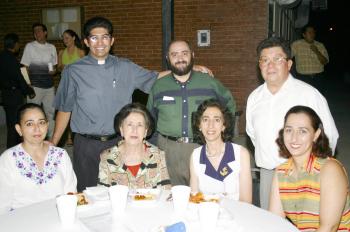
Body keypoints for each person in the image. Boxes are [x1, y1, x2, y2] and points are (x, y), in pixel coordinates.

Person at [52, 17, 210, 191]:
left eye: (105, 37)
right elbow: (65, 110)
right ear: (86, 42)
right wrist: (53, 143)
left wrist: (186, 68)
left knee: (122, 193)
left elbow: (154, 77)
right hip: (86, 145)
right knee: (88, 194)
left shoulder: (125, 67)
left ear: (112, 41)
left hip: (119, 142)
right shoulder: (73, 71)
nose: (100, 42)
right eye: (94, 38)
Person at [246, 36, 338, 209]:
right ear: (259, 66)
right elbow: (253, 135)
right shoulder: (254, 98)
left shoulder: (309, 95)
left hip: (303, 174)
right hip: (268, 174)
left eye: (277, 59)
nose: (270, 65)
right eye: (264, 60)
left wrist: (315, 172)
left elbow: (329, 136)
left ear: (289, 64)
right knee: (270, 223)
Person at [147, 40, 236, 186]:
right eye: (174, 54)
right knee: (171, 197)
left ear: (192, 55)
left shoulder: (209, 83)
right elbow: (150, 119)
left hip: (202, 147)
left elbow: (229, 107)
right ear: (168, 59)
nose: (180, 58)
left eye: (184, 53)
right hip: (168, 150)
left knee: (203, 195)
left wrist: (224, 137)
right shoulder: (158, 86)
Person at [269, 105, 350, 231]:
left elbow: (328, 228)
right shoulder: (281, 172)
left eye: (303, 131)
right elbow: (275, 222)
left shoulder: (330, 170)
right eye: (289, 130)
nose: (294, 138)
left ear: (316, 134)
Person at [0, 103, 77, 214]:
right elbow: (2, 206)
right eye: (29, 124)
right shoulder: (8, 160)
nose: (37, 129)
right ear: (19, 129)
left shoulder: (60, 155)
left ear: (47, 125)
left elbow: (71, 194)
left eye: (41, 122)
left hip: (60, 221)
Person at [190, 99, 252, 203]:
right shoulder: (195, 156)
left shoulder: (240, 154)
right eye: (205, 119)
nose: (211, 125)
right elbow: (194, 199)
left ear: (224, 125)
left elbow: (246, 202)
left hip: (236, 215)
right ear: (199, 125)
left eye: (217, 120)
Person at [98, 103, 171, 189]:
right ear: (121, 129)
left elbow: (165, 194)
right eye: (130, 124)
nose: (134, 130)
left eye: (139, 125)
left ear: (145, 132)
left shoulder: (158, 156)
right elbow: (102, 195)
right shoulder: (107, 158)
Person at [20, 23, 57, 138]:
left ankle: (51, 140)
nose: (37, 33)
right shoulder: (30, 46)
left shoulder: (52, 47)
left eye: (39, 31)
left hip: (49, 87)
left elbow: (53, 67)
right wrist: (28, 84)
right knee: (31, 114)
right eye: (35, 32)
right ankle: (31, 138)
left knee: (50, 114)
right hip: (35, 86)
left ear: (45, 32)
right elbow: (24, 67)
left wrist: (53, 71)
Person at [0, 33, 35, 148]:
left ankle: (11, 148)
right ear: (15, 44)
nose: (19, 46)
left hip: (5, 94)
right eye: (18, 43)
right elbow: (19, 78)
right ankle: (13, 149)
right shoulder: (12, 60)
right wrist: (29, 90)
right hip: (15, 95)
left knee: (10, 123)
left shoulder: (2, 57)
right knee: (15, 125)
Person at [57, 29, 85, 145]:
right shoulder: (61, 53)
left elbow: (85, 70)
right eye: (63, 38)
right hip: (65, 84)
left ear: (73, 38)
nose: (65, 40)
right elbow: (58, 68)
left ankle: (78, 134)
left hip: (78, 86)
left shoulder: (81, 53)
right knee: (65, 110)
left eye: (67, 38)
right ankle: (68, 137)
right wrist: (62, 66)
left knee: (77, 111)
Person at [291, 25, 329, 92]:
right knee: (304, 99)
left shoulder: (320, 45)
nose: (312, 34)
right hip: (303, 78)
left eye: (313, 32)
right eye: (309, 32)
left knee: (317, 99)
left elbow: (325, 62)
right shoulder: (296, 44)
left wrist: (317, 51)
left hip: (318, 78)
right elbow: (288, 57)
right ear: (304, 34)